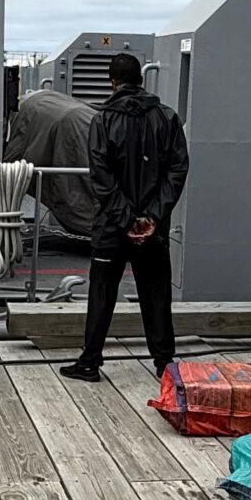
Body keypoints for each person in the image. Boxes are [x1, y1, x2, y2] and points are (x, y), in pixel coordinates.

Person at [60, 52, 188, 383]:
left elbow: (100, 177)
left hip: (111, 227)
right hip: (153, 230)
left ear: (112, 80)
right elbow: (177, 170)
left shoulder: (102, 121)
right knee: (156, 292)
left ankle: (89, 362)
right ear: (141, 79)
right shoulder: (168, 118)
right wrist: (152, 217)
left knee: (102, 292)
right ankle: (164, 363)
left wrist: (126, 218)